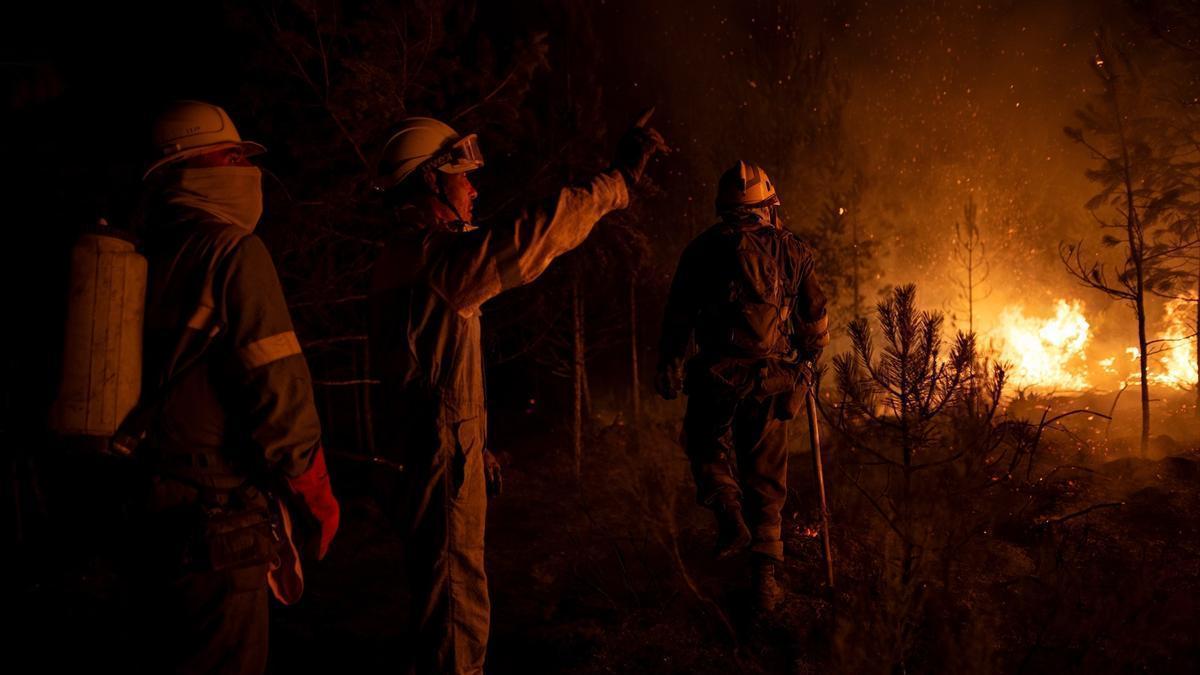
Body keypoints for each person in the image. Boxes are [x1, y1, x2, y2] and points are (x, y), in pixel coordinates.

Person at [368, 114, 666, 674]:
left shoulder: (403, 256)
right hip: (439, 467)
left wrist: (473, 444)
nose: (475, 189)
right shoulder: (437, 260)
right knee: (456, 617)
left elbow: (428, 376)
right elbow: (531, 236)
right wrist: (616, 183)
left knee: (439, 605)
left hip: (430, 459)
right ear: (432, 180)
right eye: (463, 177)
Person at [133, 100, 340, 674]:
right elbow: (281, 393)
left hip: (144, 514)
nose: (246, 171)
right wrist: (315, 494)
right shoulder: (232, 252)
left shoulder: (141, 259)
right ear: (194, 166)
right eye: (232, 156)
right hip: (216, 523)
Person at [655, 160, 829, 612]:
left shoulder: (701, 251)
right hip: (771, 380)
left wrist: (671, 367)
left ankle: (729, 514)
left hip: (715, 376)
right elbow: (814, 315)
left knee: (705, 446)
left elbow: (678, 317)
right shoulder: (794, 250)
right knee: (767, 480)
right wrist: (808, 362)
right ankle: (765, 584)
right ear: (769, 205)